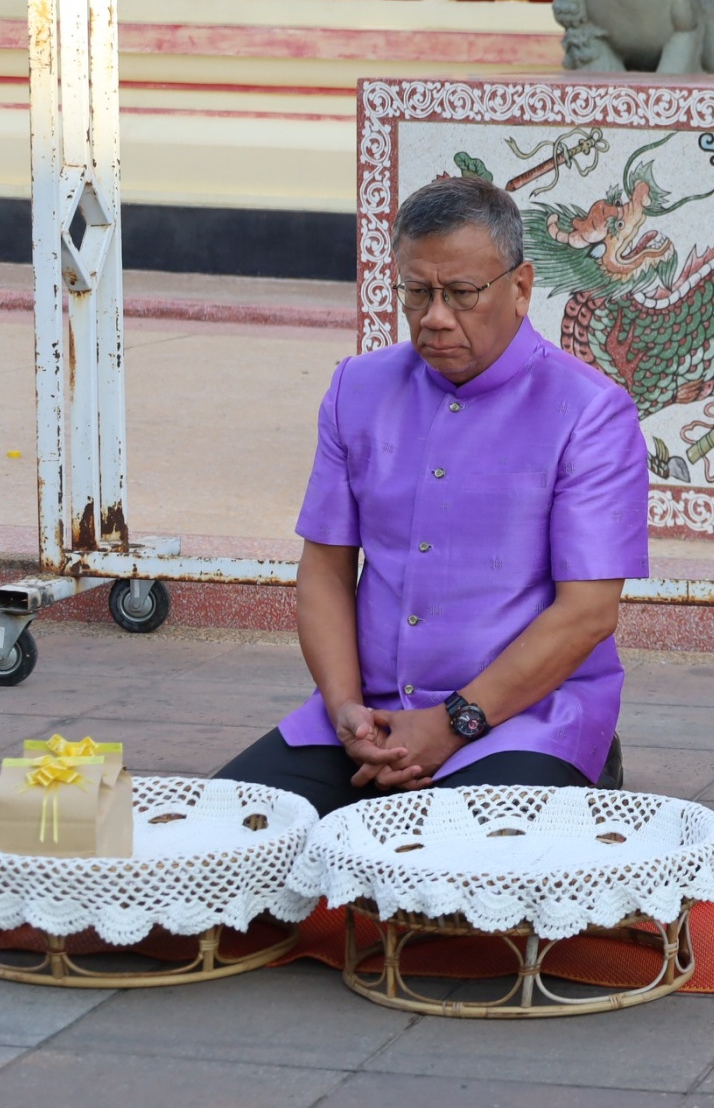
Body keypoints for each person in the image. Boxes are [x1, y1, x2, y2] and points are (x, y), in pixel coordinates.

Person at [216, 176, 651, 814]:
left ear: (522, 288)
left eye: (462, 294)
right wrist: (346, 711)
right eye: (417, 294)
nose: (436, 317)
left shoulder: (590, 413)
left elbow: (588, 613)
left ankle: (582, 776)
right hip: (375, 722)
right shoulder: (356, 390)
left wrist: (450, 725)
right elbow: (326, 571)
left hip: (525, 722)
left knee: (447, 872)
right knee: (215, 836)